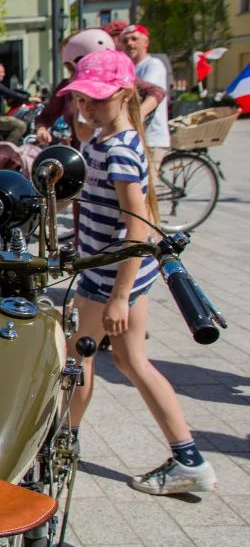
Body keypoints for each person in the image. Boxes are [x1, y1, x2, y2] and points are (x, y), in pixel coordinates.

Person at [58, 49, 217, 495]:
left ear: (126, 95)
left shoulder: (121, 153)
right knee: (129, 361)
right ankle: (188, 457)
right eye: (81, 100)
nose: (86, 107)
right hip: (112, 273)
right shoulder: (100, 142)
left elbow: (135, 231)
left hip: (111, 278)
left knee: (77, 358)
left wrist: (119, 296)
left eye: (96, 100)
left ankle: (62, 442)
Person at [36, 29, 166, 149]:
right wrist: (42, 129)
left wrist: (136, 116)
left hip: (111, 147)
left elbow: (156, 92)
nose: (72, 73)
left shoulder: (116, 79)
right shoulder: (68, 85)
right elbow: (47, 115)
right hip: (82, 154)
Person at [120, 24, 171, 179]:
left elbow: (149, 95)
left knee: (146, 191)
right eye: (125, 40)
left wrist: (136, 116)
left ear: (145, 42)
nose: (129, 43)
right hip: (136, 137)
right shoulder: (129, 67)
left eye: (134, 39)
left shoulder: (153, 65)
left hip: (152, 137)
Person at [0, 63, 39, 144]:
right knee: (21, 126)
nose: (4, 74)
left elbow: (9, 95)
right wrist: (29, 98)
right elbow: (10, 93)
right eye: (1, 72)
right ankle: (7, 150)